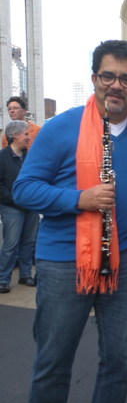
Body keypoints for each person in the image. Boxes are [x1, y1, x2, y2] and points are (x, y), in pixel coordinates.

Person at [12, 40, 127, 403]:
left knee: (122, 359)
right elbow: (24, 190)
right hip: (63, 264)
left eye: (126, 78)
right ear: (95, 77)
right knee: (54, 360)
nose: (116, 85)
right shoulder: (60, 128)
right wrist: (79, 200)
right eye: (108, 76)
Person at [0, 120, 38, 293]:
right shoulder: (2, 157)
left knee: (29, 242)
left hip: (30, 207)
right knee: (10, 244)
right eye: (26, 134)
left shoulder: (30, 157)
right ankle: (3, 279)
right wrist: (16, 200)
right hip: (11, 208)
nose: (29, 138)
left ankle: (25, 275)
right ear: (15, 136)